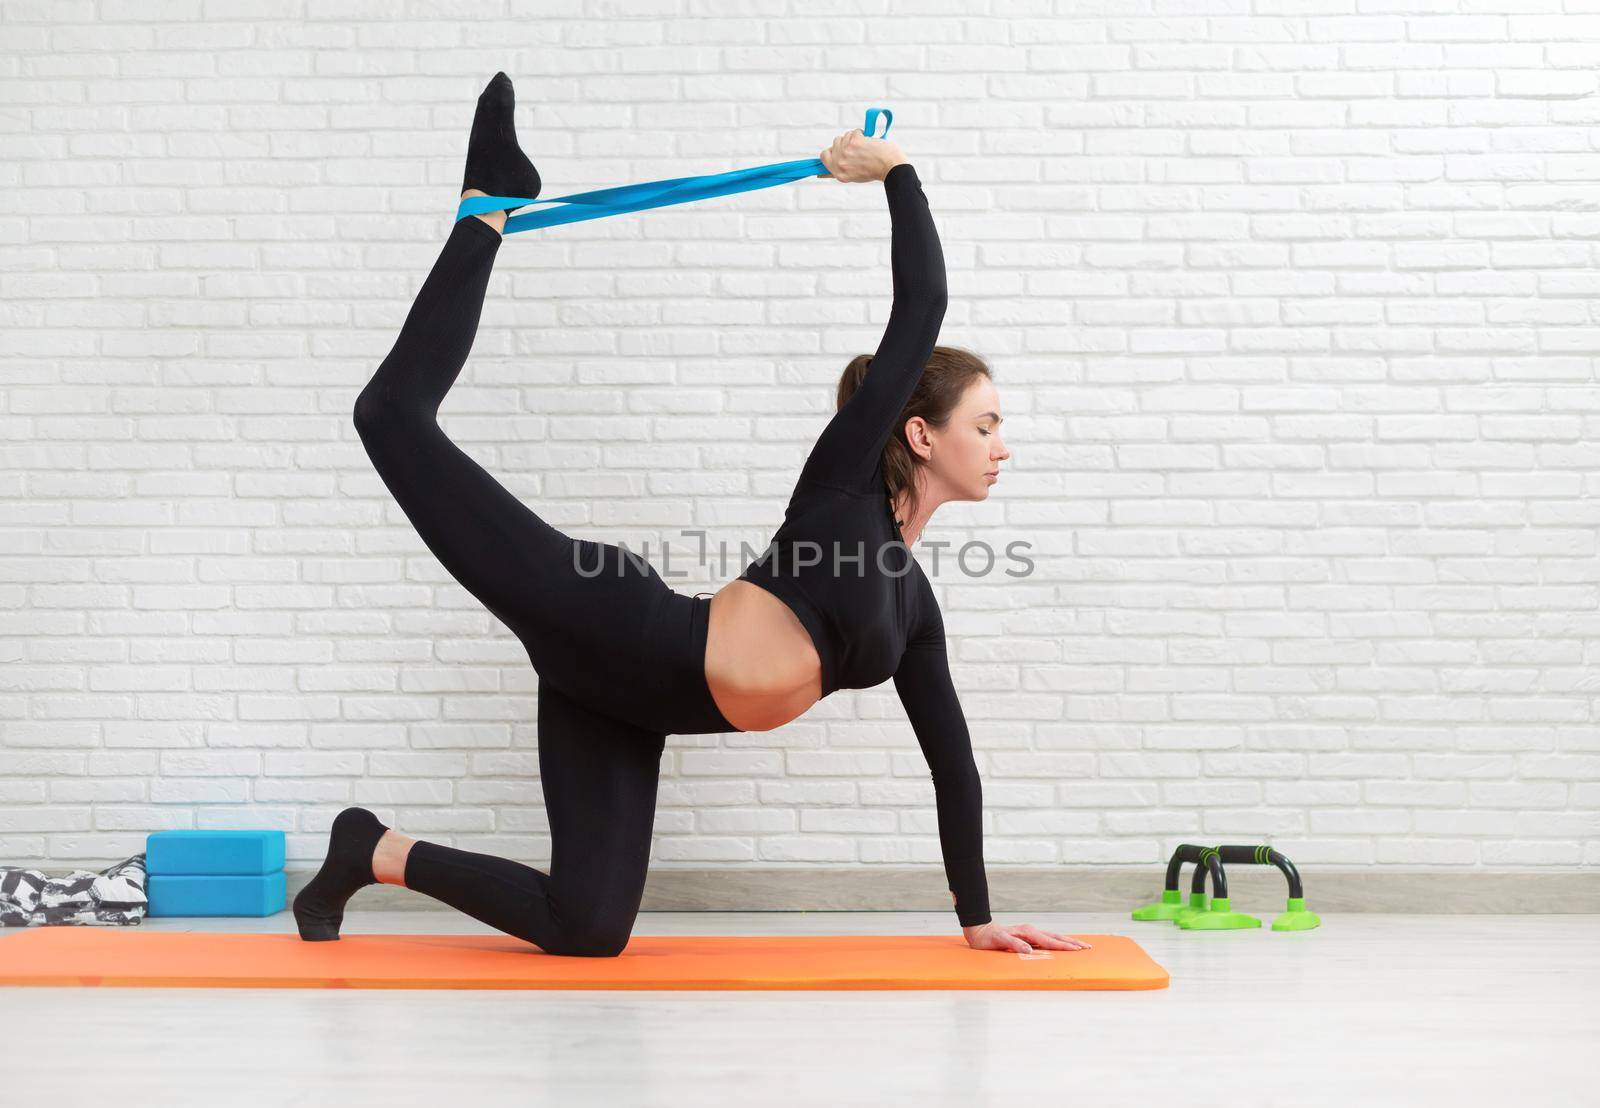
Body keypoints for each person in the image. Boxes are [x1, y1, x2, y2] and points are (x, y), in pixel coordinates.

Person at [293, 72, 1088, 958]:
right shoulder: (843, 488)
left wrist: (976, 918)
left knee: (588, 928)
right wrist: (897, 171)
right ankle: (487, 208)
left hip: (627, 702)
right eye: (986, 424)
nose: (1002, 445)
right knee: (390, 418)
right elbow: (922, 306)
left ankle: (369, 849)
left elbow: (953, 763)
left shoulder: (915, 611)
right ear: (920, 433)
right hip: (605, 618)